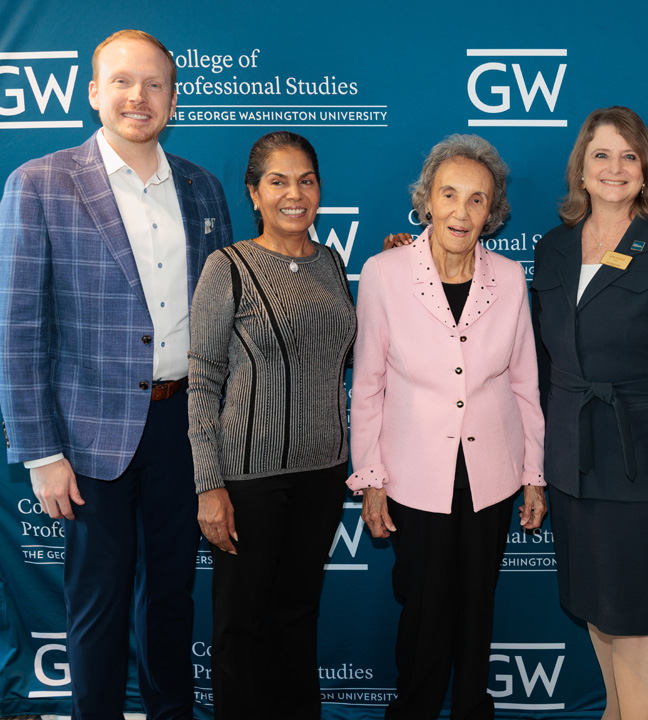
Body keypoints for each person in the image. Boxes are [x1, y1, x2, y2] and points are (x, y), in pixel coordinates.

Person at [0, 30, 232, 719]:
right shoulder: (39, 183)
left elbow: (218, 321)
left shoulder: (201, 187)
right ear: (95, 92)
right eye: (123, 82)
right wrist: (41, 453)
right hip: (88, 433)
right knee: (97, 605)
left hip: (182, 426)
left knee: (169, 597)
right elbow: (19, 329)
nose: (139, 97)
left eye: (155, 84)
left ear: (173, 98)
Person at [530, 106, 648, 718]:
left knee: (640, 610)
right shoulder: (553, 248)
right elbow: (538, 357)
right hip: (573, 459)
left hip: (647, 460)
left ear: (647, 172)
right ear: (580, 170)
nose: (615, 168)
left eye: (629, 156)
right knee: (598, 603)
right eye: (601, 156)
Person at [348, 134, 546, 720]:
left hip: (492, 474)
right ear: (426, 201)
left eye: (477, 199)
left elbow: (524, 383)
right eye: (449, 195)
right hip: (414, 476)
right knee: (424, 609)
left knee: (476, 610)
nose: (461, 211)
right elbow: (367, 385)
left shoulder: (509, 277)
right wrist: (371, 477)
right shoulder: (384, 272)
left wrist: (534, 475)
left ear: (494, 212)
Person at [187, 131, 354, 718]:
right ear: (253, 193)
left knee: (296, 615)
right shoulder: (226, 267)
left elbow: (347, 352)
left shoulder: (333, 262)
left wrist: (410, 262)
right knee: (240, 626)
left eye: (306, 180)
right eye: (278, 181)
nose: (294, 193)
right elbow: (203, 378)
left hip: (323, 470)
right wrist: (210, 486)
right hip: (249, 479)